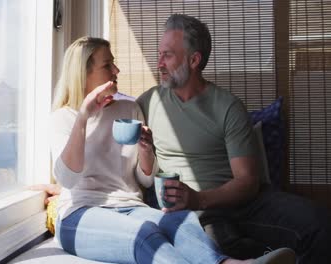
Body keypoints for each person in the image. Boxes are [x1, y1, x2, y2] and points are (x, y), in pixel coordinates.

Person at [50, 36, 294, 264]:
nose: (116, 71)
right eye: (108, 65)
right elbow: (68, 180)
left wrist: (146, 151)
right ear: (84, 73)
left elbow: (143, 180)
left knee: (181, 222)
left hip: (130, 207)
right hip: (81, 214)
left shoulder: (128, 109)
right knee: (144, 235)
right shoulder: (64, 118)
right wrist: (83, 116)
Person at [136, 13, 331, 263]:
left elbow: (247, 181)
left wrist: (199, 197)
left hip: (246, 202)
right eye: (159, 54)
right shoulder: (148, 103)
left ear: (194, 60)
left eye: (168, 55)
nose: (159, 63)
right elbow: (115, 119)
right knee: (218, 248)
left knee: (320, 225)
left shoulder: (227, 106)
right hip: (195, 214)